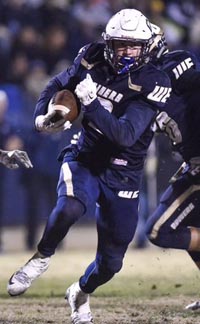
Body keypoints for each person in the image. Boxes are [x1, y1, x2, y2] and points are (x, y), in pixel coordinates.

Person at [7, 9, 171, 324]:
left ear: (145, 47)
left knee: (111, 264)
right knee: (70, 207)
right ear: (109, 43)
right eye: (120, 44)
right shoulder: (93, 56)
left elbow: (125, 135)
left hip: (124, 171)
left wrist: (92, 104)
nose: (125, 52)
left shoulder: (154, 80)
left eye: (132, 45)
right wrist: (42, 118)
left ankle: (80, 293)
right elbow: (57, 84)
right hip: (86, 155)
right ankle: (41, 258)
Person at [144, 23, 200, 311]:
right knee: (180, 228)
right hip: (191, 166)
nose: (127, 53)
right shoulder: (135, 88)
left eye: (134, 45)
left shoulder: (177, 62)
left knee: (158, 230)